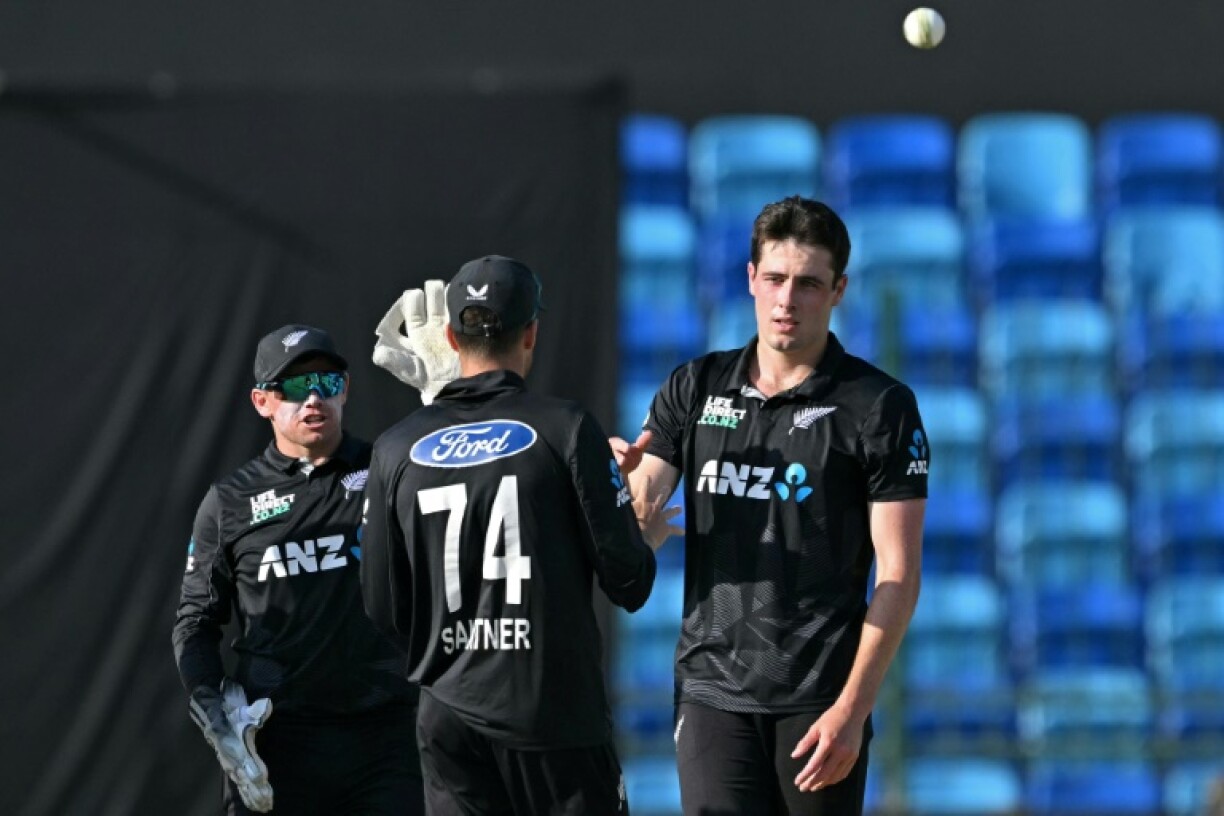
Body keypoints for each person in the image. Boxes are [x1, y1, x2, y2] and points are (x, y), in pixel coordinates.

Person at [611, 196, 928, 815]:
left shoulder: (878, 406)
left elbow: (899, 574)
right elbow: (639, 522)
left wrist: (853, 710)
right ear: (751, 279)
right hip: (711, 692)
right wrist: (616, 495)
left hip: (820, 702)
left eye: (808, 284)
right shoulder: (695, 387)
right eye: (776, 279)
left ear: (838, 290)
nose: (787, 301)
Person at [360, 255, 676, 815]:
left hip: (449, 717)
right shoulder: (566, 427)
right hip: (552, 716)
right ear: (531, 332)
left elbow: (384, 607)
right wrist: (641, 531)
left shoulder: (393, 448)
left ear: (452, 337)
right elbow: (629, 581)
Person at [172, 324, 424, 815]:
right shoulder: (229, 501)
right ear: (261, 401)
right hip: (277, 741)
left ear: (345, 389)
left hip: (385, 737)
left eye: (326, 382)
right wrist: (210, 702)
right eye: (291, 387)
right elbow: (195, 620)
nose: (312, 398)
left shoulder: (390, 471)